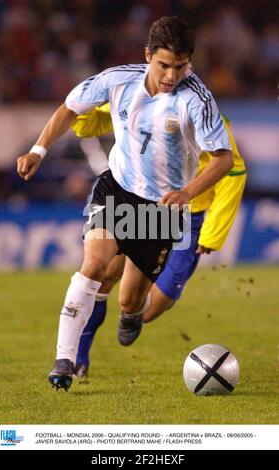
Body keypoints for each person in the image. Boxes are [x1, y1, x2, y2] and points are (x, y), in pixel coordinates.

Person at [17, 16, 233, 391]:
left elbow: (223, 159)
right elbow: (70, 107)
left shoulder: (196, 100)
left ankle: (130, 315)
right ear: (148, 55)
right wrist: (39, 149)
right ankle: (64, 361)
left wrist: (187, 193)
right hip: (117, 189)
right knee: (95, 265)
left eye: (180, 67)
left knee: (130, 300)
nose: (171, 75)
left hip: (162, 210)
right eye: (164, 64)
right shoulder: (118, 79)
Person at [71, 107, 246, 378]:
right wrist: (85, 118)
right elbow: (111, 105)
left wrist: (213, 232)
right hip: (135, 198)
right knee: (102, 276)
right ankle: (77, 358)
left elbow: (233, 172)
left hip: (187, 217)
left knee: (146, 308)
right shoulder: (143, 93)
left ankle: (132, 311)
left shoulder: (206, 115)